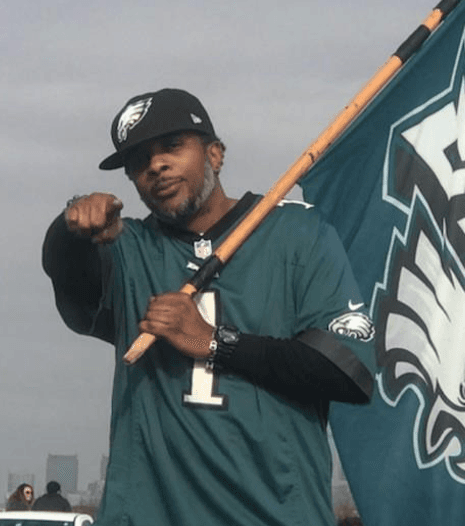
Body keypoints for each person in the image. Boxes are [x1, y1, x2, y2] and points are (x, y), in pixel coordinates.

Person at [42, 88, 375, 526]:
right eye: (138, 160)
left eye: (172, 147)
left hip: (274, 514)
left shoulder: (297, 233)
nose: (156, 165)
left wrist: (215, 343)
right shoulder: (127, 249)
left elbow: (348, 371)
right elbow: (65, 270)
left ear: (215, 155)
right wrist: (71, 225)